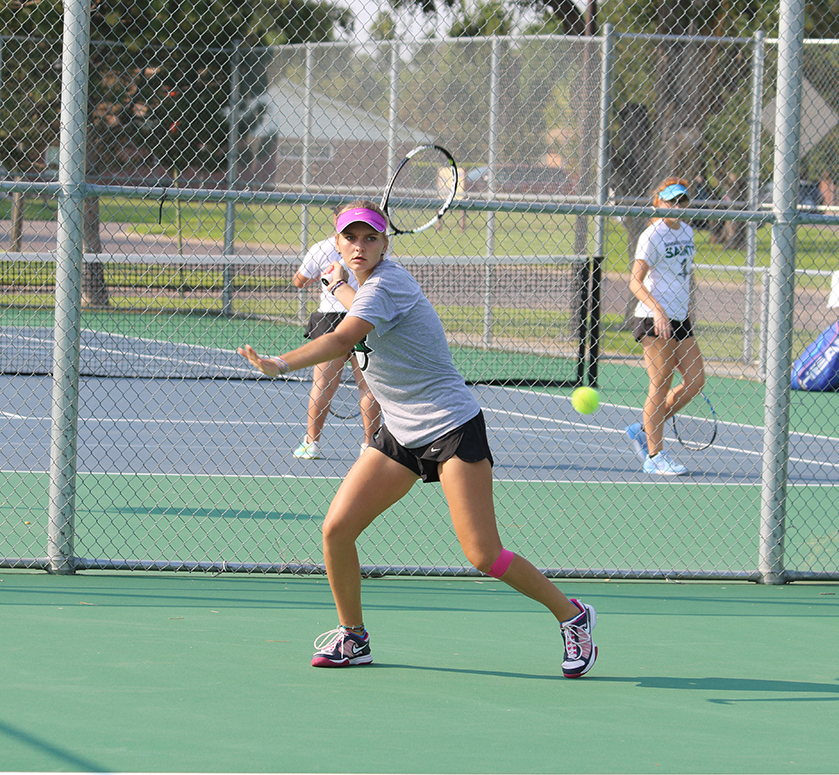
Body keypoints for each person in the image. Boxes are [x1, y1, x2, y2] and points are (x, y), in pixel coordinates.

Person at [239, 201, 597, 678]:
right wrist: (342, 285)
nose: (360, 247)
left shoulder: (391, 282)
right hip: (401, 432)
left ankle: (573, 615)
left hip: (451, 427)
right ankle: (354, 636)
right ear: (337, 242)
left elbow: (344, 339)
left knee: (482, 553)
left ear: (386, 245)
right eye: (352, 238)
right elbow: (360, 305)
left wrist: (280, 364)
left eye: (371, 239)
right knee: (336, 530)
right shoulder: (366, 287)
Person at [624, 178, 707, 476]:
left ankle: (644, 428)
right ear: (658, 202)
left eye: (682, 200)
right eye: (670, 201)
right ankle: (654, 455)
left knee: (696, 380)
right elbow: (635, 281)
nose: (677, 206)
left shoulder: (687, 231)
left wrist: (680, 311)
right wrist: (659, 312)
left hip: (680, 320)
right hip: (653, 318)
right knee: (659, 386)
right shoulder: (651, 235)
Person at [291, 208, 382, 459]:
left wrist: (323, 277)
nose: (358, 245)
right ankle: (369, 446)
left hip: (348, 317)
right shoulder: (373, 246)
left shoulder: (321, 248)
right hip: (360, 318)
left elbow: (299, 281)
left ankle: (312, 443)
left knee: (323, 385)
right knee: (368, 387)